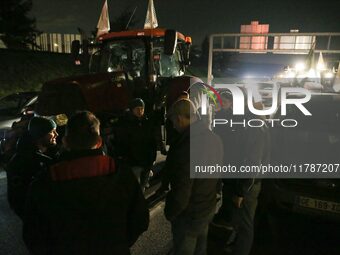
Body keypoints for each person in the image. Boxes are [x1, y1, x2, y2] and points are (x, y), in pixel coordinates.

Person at [23, 111, 149, 255]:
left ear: (65, 141)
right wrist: (117, 243)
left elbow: (33, 235)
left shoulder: (45, 180)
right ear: (99, 141)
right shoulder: (121, 173)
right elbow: (140, 220)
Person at [164, 99, 223, 255]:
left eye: (173, 122)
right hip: (207, 206)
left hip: (190, 214)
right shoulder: (214, 138)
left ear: (180, 118)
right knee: (201, 249)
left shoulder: (186, 146)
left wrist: (170, 212)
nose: (174, 126)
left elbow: (182, 189)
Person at [6, 116, 58, 219]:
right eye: (52, 131)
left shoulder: (50, 153)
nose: (56, 134)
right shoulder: (20, 163)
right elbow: (17, 198)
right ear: (40, 135)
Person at [114, 98, 157, 190]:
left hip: (146, 160)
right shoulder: (125, 123)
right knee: (135, 185)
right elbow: (122, 142)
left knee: (144, 183)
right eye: (137, 108)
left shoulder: (147, 122)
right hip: (133, 160)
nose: (140, 111)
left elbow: (152, 140)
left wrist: (153, 156)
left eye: (142, 108)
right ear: (132, 109)